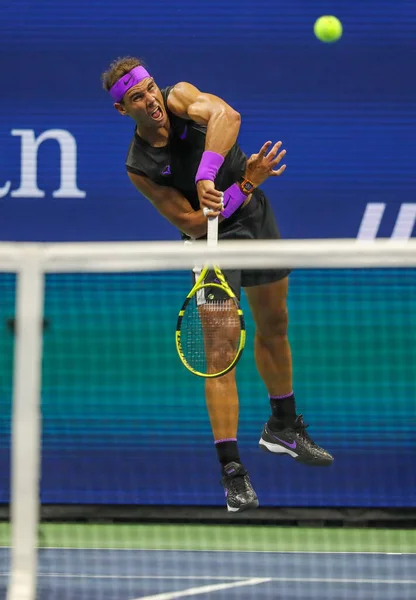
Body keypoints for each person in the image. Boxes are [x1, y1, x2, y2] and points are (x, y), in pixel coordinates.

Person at [101, 57, 334, 513]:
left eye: (149, 89)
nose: (151, 101)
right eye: (136, 98)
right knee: (220, 355)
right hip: (209, 244)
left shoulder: (180, 97)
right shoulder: (139, 165)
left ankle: (283, 426)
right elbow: (189, 220)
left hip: (254, 221)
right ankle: (233, 473)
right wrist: (244, 184)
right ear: (122, 110)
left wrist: (210, 176)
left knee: (275, 324)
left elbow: (228, 117)